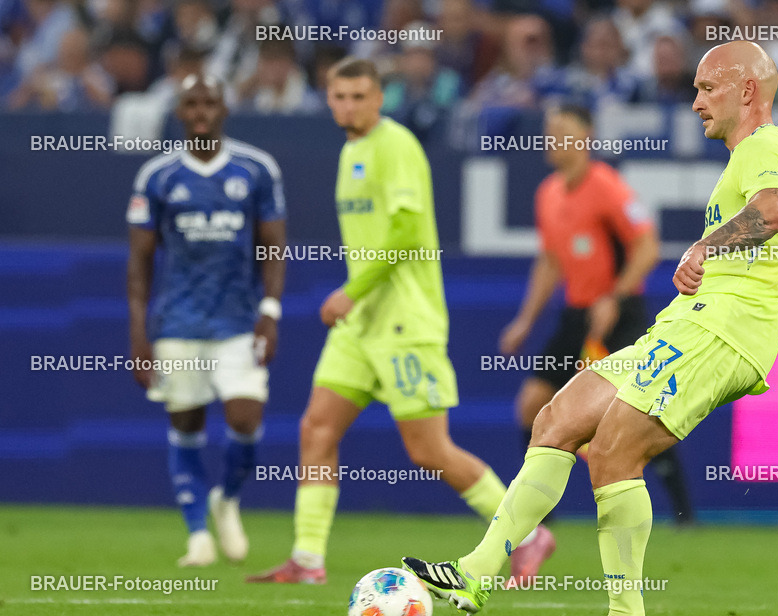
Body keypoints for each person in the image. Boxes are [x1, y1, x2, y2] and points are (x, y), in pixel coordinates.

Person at [404, 40, 778, 616]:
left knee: (615, 451)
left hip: (717, 331)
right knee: (556, 419)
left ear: (747, 90)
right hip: (691, 324)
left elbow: (774, 212)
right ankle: (477, 570)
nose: (696, 102)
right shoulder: (765, 156)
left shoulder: (764, 146)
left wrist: (705, 247)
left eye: (708, 89)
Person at [247, 58, 550, 585]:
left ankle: (527, 535)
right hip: (361, 327)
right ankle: (308, 560)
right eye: (340, 96)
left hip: (405, 322)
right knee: (316, 428)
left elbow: (408, 232)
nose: (349, 106)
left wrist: (351, 290)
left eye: (359, 96)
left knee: (428, 450)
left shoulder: (397, 145)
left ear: (379, 98)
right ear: (328, 99)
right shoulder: (352, 151)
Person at [501, 103, 695, 528]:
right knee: (531, 407)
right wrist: (525, 321)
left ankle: (685, 514)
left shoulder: (608, 186)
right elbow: (550, 262)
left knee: (642, 414)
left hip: (619, 315)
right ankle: (539, 518)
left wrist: (615, 296)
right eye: (550, 131)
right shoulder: (548, 193)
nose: (553, 139)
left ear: (586, 137)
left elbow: (647, 248)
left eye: (563, 131)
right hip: (577, 315)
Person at [126, 74, 287, 567]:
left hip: (238, 321)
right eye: (191, 103)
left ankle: (227, 498)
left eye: (210, 103)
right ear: (179, 111)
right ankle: (197, 534)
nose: (200, 112)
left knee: (245, 420)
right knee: (186, 422)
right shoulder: (157, 175)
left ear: (224, 109)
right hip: (178, 322)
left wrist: (270, 311)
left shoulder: (255, 169)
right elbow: (140, 262)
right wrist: (139, 334)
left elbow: (273, 247)